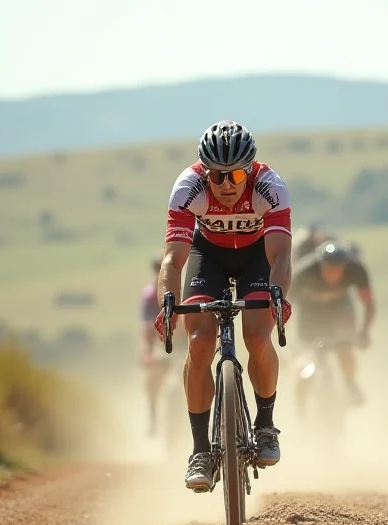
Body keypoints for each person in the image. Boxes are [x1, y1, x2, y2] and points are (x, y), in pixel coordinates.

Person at [154, 120, 293, 492]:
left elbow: (280, 257)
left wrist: (278, 297)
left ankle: (265, 425)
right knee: (199, 342)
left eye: (235, 176)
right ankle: (200, 450)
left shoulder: (270, 187)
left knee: (259, 337)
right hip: (208, 254)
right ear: (204, 171)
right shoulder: (189, 187)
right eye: (218, 176)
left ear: (251, 169)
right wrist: (168, 302)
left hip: (256, 256)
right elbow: (172, 260)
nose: (227, 185)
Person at [292, 241, 375, 409]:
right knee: (306, 355)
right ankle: (301, 403)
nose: (334, 273)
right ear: (319, 265)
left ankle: (350, 382)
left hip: (340, 309)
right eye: (329, 268)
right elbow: (285, 305)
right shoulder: (304, 272)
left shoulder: (356, 270)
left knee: (345, 345)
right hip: (309, 312)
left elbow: (368, 304)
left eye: (339, 268)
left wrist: (364, 332)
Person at [140, 254, 183, 438]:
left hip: (183, 347)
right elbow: (147, 327)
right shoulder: (150, 295)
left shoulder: (184, 291)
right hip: (162, 346)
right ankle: (153, 417)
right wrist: (147, 353)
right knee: (151, 381)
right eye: (159, 269)